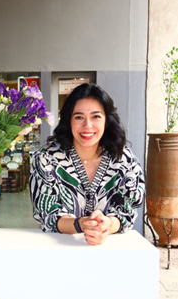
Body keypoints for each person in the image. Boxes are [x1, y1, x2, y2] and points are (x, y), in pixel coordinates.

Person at [29, 83, 145, 245]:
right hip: (60, 251)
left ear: (107, 120)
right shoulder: (47, 159)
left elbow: (127, 213)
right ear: (68, 121)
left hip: (111, 252)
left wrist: (106, 225)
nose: (87, 125)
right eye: (79, 117)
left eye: (96, 116)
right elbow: (48, 215)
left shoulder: (125, 160)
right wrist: (81, 224)